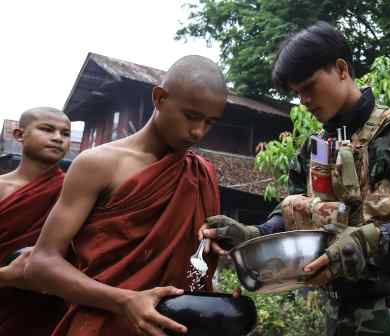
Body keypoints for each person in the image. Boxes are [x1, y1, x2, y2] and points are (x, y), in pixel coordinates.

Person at [201, 22, 390, 335]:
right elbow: (293, 217)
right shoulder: (314, 147)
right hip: (337, 312)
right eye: (296, 93)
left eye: (309, 87)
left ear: (341, 69)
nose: (303, 101)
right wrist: (252, 235)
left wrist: (368, 241)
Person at [23, 55, 227, 336]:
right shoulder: (98, 164)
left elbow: (195, 264)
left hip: (175, 327)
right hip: (103, 324)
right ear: (159, 98)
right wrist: (125, 301)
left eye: (210, 122)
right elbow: (42, 264)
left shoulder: (202, 174)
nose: (197, 131)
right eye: (191, 116)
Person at [0, 106, 71, 335]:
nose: (58, 138)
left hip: (48, 308)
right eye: (47, 129)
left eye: (65, 133)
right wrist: (6, 277)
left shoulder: (76, 191)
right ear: (19, 135)